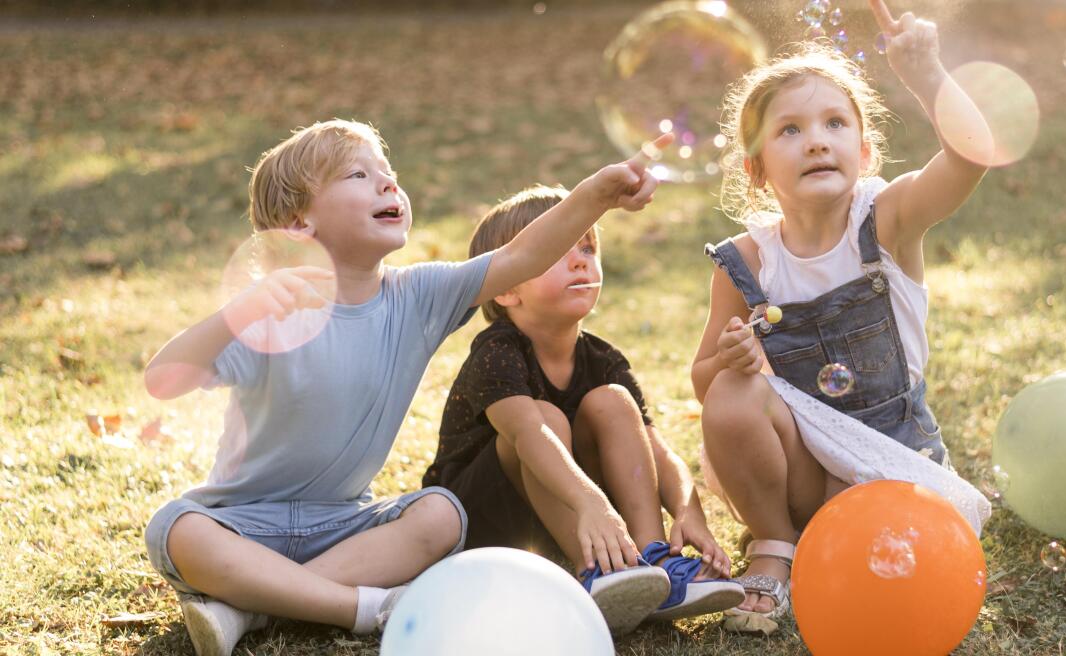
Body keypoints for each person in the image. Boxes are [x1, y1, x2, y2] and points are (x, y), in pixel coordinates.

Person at [142, 119, 671, 655]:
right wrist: (237, 313)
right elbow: (162, 380)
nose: (388, 184)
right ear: (299, 221)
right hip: (242, 526)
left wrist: (594, 196)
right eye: (358, 174)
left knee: (441, 514)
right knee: (176, 527)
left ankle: (247, 607)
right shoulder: (264, 313)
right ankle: (361, 607)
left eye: (389, 173)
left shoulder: (418, 297)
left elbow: (519, 258)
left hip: (343, 525)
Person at [691, 0, 993, 635]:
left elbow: (972, 158)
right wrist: (734, 358)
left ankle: (827, 538)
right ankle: (774, 542)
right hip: (804, 470)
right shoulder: (745, 262)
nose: (818, 139)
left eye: (835, 123)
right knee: (730, 393)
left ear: (865, 148)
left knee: (886, 572)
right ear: (757, 168)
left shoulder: (887, 221)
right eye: (790, 130)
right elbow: (706, 385)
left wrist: (927, 72)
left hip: (891, 463)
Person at [422, 185, 744, 635]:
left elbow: (656, 449)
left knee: (612, 401)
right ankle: (597, 573)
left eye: (588, 247)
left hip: (580, 513)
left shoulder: (602, 358)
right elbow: (527, 435)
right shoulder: (495, 352)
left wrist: (689, 511)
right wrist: (592, 501)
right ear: (506, 288)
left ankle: (652, 561)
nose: (580, 260)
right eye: (558, 250)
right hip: (485, 521)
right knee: (545, 420)